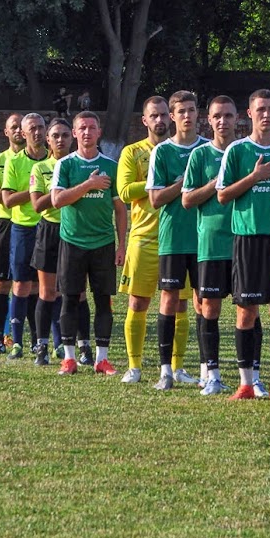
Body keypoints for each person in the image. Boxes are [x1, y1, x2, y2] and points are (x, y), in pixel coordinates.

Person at [215, 88, 270, 400]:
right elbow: (222, 195)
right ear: (249, 114)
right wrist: (254, 176)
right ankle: (246, 383)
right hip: (247, 240)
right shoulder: (236, 151)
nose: (266, 114)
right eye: (260, 109)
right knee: (246, 312)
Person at [50, 111, 127, 376]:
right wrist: (89, 184)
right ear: (74, 133)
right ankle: (69, 358)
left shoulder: (111, 165)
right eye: (81, 128)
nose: (86, 132)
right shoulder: (66, 165)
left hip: (103, 243)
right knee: (69, 299)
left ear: (98, 132)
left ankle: (102, 359)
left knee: (103, 301)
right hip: (72, 242)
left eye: (91, 128)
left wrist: (121, 245)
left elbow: (119, 209)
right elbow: (57, 201)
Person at [146, 90, 208, 390]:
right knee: (169, 300)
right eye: (181, 111)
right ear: (173, 116)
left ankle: (207, 369)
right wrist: (184, 184)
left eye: (191, 110)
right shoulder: (163, 152)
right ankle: (165, 370)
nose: (187, 115)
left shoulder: (210, 149)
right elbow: (155, 199)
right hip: (173, 238)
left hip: (205, 239)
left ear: (198, 114)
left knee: (204, 303)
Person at [181, 95, 238, 395]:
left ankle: (249, 376)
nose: (223, 121)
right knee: (208, 308)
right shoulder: (200, 156)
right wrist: (214, 184)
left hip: (243, 244)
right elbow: (187, 199)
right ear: (209, 119)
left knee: (248, 309)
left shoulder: (245, 152)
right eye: (217, 116)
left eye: (228, 116)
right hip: (211, 244)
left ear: (237, 119)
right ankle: (210, 373)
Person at [117, 96, 172, 384]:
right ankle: (134, 366)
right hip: (143, 238)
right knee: (138, 304)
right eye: (154, 116)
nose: (160, 120)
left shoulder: (181, 150)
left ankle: (176, 368)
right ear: (145, 120)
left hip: (177, 239)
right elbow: (125, 191)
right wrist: (161, 181)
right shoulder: (132, 152)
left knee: (178, 304)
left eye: (164, 115)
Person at [2, 113, 51, 359]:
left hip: (51, 225)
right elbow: (8, 200)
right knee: (21, 285)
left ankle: (42, 341)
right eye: (32, 128)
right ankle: (17, 342)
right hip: (23, 227)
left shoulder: (56, 160)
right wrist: (36, 191)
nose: (38, 132)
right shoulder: (14, 162)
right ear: (22, 132)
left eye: (41, 127)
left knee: (47, 287)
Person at [29, 118, 73, 364]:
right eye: (55, 135)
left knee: (74, 294)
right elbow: (37, 205)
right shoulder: (40, 168)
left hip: (74, 230)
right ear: (48, 139)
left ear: (72, 137)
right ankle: (41, 346)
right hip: (49, 230)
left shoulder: (80, 165)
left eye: (65, 135)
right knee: (46, 293)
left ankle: (77, 346)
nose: (60, 140)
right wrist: (60, 191)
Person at [0, 114, 25, 354]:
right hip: (6, 224)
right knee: (2, 284)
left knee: (31, 286)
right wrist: (23, 191)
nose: (19, 131)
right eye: (14, 127)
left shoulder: (39, 160)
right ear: (6, 132)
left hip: (33, 225)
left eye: (23, 127)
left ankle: (28, 339)